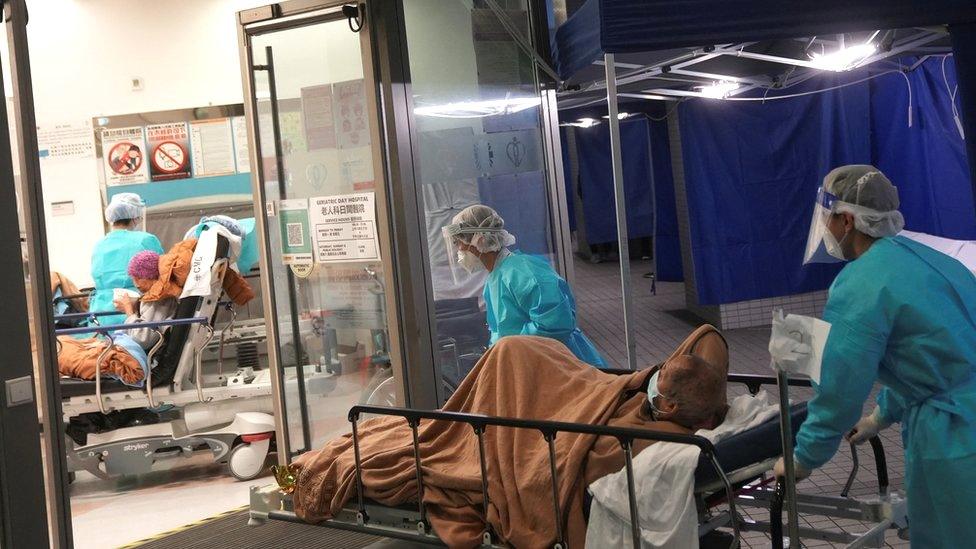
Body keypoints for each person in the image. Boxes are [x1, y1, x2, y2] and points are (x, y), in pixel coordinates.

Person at [773, 165, 976, 547]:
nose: (826, 229)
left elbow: (840, 390)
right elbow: (933, 358)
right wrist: (882, 414)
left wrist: (804, 457)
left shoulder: (860, 285)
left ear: (847, 220)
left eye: (828, 219)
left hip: (956, 439)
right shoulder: (931, 260)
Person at [443, 204, 607, 367]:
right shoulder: (496, 276)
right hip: (531, 364)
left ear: (480, 240)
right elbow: (502, 331)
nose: (459, 249)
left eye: (459, 243)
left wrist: (511, 349)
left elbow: (555, 325)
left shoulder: (524, 273)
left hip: (562, 366)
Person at [89, 193, 163, 325]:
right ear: (135, 217)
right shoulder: (145, 240)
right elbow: (164, 272)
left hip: (100, 316)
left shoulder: (99, 244)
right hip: (132, 311)